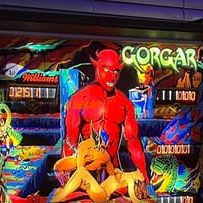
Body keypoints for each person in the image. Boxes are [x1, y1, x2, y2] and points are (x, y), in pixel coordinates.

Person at [62, 48, 148, 184]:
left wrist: (144, 176)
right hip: (85, 174)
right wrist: (66, 178)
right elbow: (70, 140)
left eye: (115, 71)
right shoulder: (78, 99)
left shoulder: (125, 104)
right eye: (106, 70)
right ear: (97, 67)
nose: (112, 77)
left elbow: (134, 143)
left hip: (113, 172)